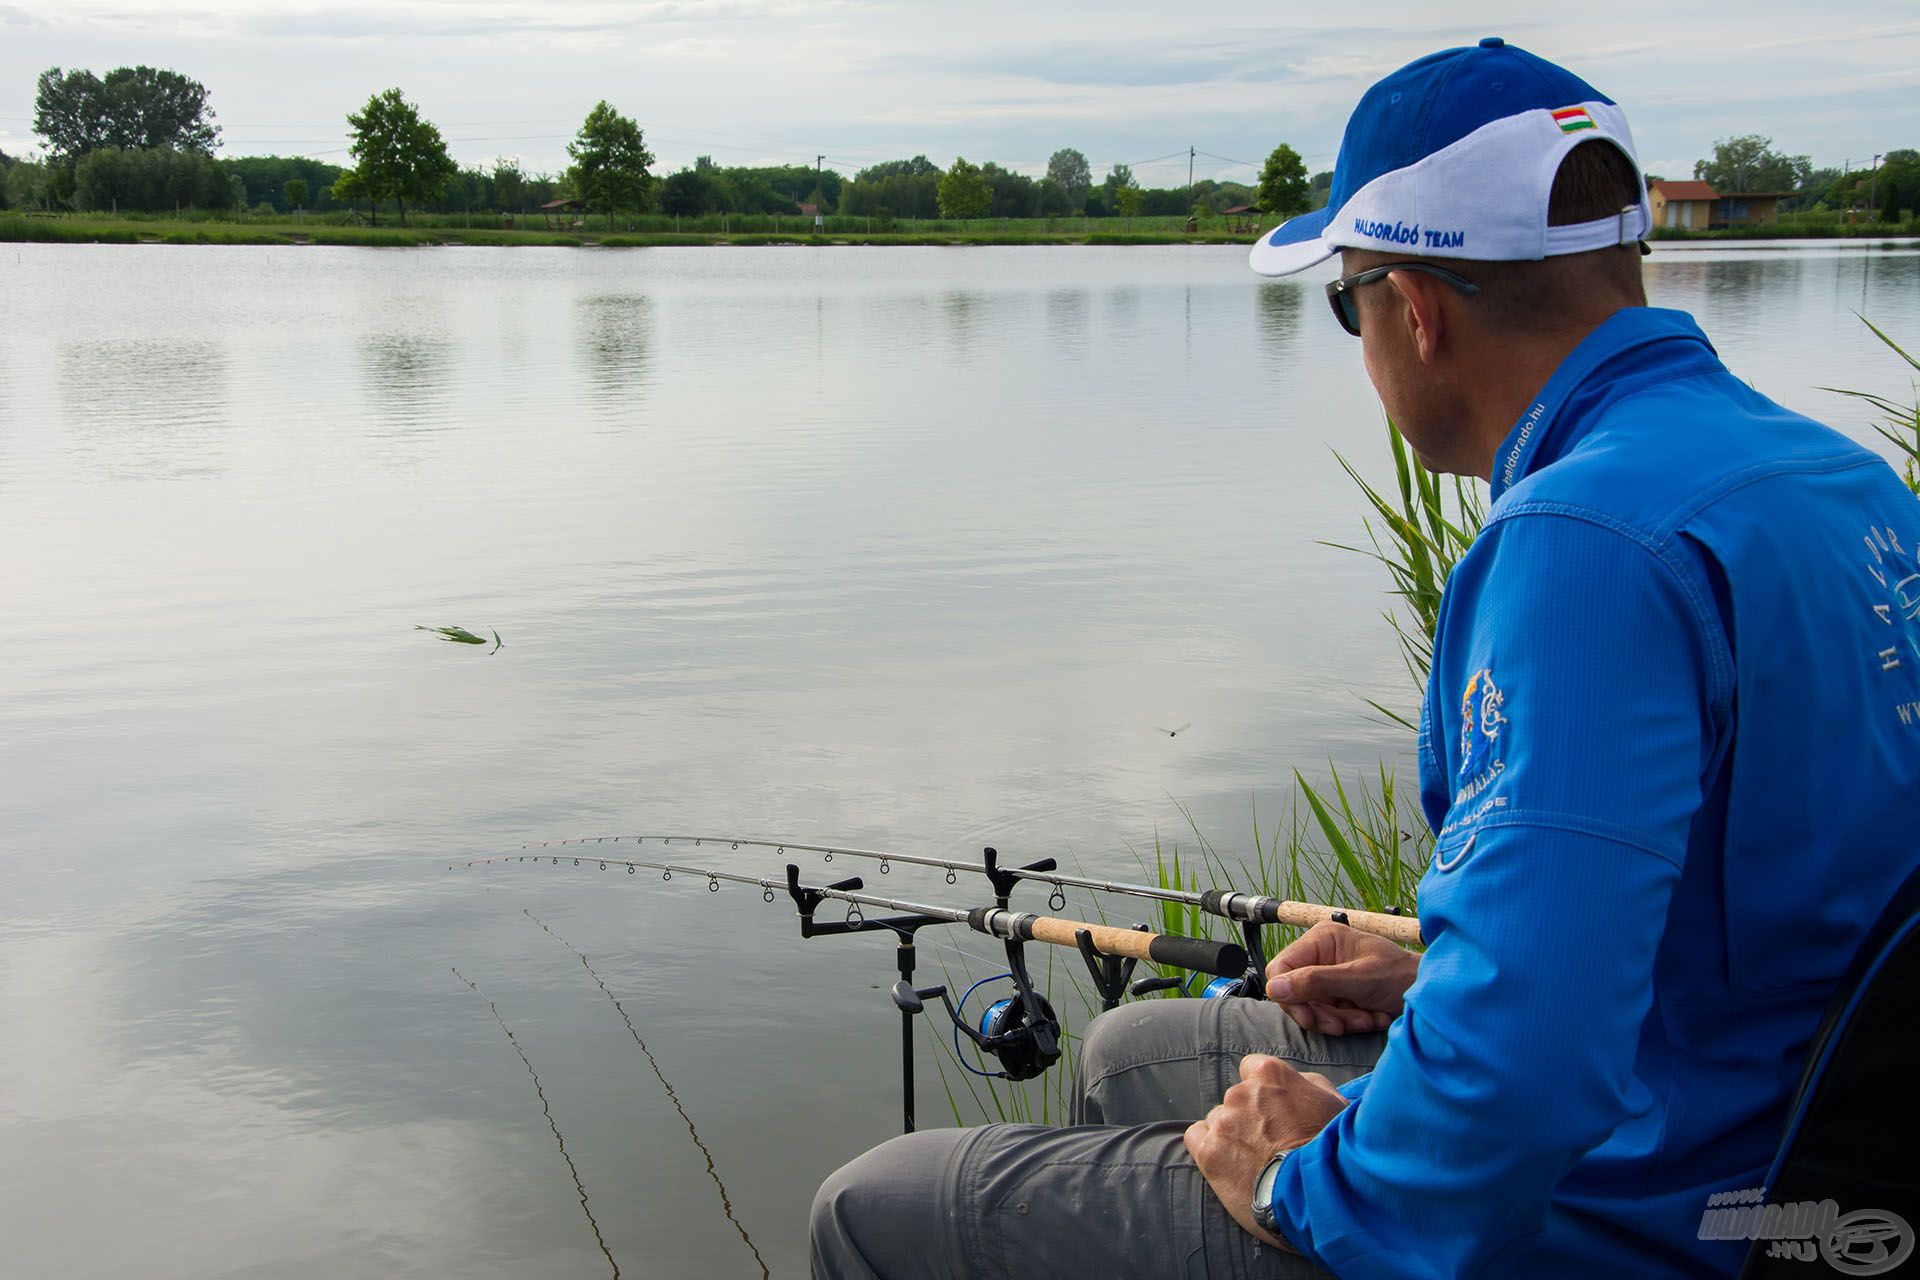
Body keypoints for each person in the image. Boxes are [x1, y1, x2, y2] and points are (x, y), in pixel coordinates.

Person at [811, 38, 1920, 1279]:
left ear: (1416, 309)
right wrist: (1440, 974)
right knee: (1131, 1056)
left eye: (1346, 300)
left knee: (874, 1204)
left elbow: (1525, 1074)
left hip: (1657, 1211)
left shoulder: (1585, 543)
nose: (1359, 334)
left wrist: (1303, 1182)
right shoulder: (1840, 478)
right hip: (1789, 1133)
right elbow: (1765, 907)